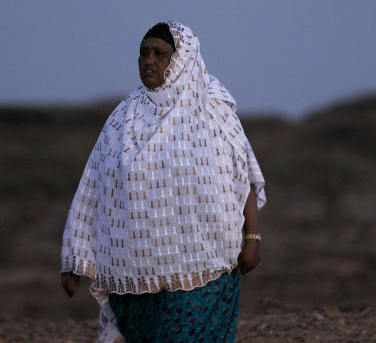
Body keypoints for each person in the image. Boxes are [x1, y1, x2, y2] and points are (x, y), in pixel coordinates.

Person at [61, 21, 267, 343]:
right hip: (136, 274)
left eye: (160, 54)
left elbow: (243, 178)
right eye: (143, 53)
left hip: (207, 269)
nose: (149, 61)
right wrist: (76, 255)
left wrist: (252, 238)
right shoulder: (123, 117)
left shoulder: (212, 109)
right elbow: (93, 188)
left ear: (182, 58)